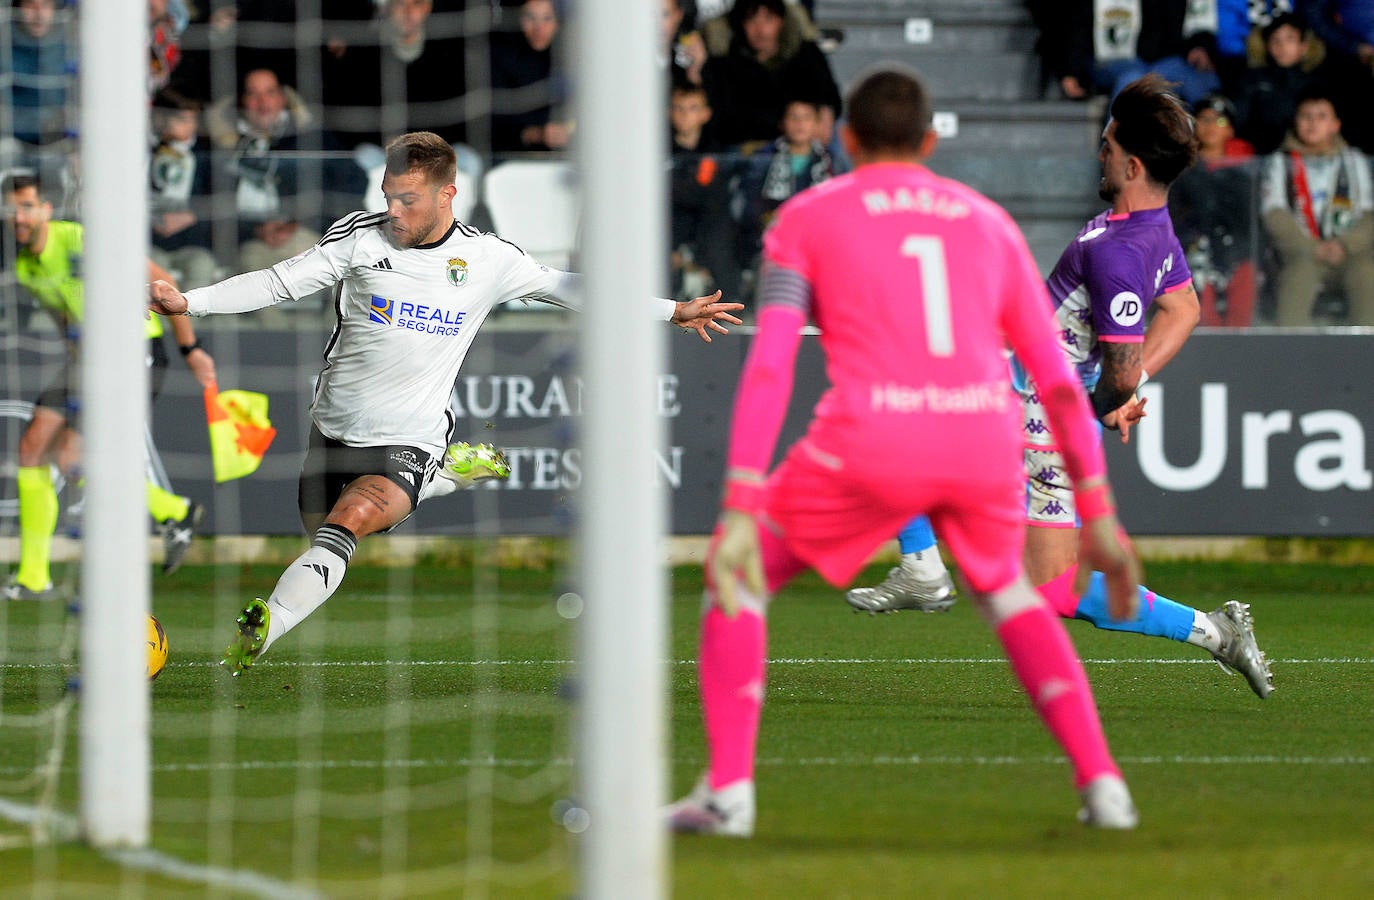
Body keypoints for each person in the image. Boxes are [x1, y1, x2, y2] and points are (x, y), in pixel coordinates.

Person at [667, 66, 1145, 838]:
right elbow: (1057, 378)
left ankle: (728, 793)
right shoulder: (989, 220)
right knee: (1015, 598)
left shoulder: (806, 216)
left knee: (739, 573)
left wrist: (740, 501)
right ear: (929, 140)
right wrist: (1097, 511)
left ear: (845, 140)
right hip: (982, 437)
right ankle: (1104, 784)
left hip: (870, 438)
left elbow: (772, 360)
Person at [145, 131, 743, 674]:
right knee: (320, 529)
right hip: (332, 428)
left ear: (447, 194)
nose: (394, 210)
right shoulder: (358, 239)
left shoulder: (489, 261)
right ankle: (452, 471)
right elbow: (275, 282)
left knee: (349, 520)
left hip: (410, 432)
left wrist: (673, 310)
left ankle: (264, 627)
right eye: (388, 195)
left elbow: (578, 291)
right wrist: (188, 301)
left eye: (407, 199)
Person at [844, 76, 1275, 702]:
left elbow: (1123, 360)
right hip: (1052, 417)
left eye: (1105, 146)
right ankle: (1216, 633)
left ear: (1130, 163)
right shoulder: (1150, 228)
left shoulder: (1118, 253)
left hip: (1031, 404)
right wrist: (1124, 389)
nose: (1097, 154)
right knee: (1050, 587)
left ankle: (921, 565)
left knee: (890, 425)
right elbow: (1181, 308)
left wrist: (1120, 390)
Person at [2, 172, 217, 600]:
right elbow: (67, 317)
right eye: (11, 208)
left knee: (67, 456)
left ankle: (171, 511)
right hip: (90, 360)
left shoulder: (76, 239)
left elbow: (158, 279)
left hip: (135, 351)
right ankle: (33, 576)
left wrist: (192, 349)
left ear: (46, 209)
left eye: (27, 205)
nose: (18, 215)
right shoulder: (25, 265)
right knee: (34, 452)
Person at [204, 67, 365, 273]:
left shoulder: (311, 137)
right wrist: (254, 230)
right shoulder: (223, 147)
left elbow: (356, 183)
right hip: (249, 245)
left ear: (282, 99)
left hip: (308, 238)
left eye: (270, 93)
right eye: (253, 94)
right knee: (252, 270)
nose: (263, 103)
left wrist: (299, 223)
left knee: (331, 268)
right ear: (242, 101)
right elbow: (210, 210)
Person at [1258, 85, 1374, 325]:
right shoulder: (1281, 161)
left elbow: (1368, 214)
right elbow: (1273, 212)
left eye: (1321, 116)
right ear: (1296, 121)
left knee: (1367, 276)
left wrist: (1344, 245)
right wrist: (1310, 247)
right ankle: (1291, 355)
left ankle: (1366, 353)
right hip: (1302, 253)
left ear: (1335, 125)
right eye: (1306, 116)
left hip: (1348, 252)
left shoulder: (1354, 161)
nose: (1313, 123)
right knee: (1297, 280)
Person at [700, 0, 841, 149]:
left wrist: (826, 113)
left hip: (800, 144)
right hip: (744, 148)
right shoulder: (725, 62)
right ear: (741, 24)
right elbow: (723, 119)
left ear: (781, 21)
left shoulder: (805, 53)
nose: (760, 30)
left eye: (768, 19)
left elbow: (830, 98)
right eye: (751, 20)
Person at [1169, 92, 1259, 326]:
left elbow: (1250, 222)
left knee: (1246, 278)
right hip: (1194, 251)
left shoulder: (1245, 173)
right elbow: (1174, 218)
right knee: (1199, 296)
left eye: (1219, 121)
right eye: (1204, 119)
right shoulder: (1179, 171)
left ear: (1230, 130)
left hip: (1235, 250)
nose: (1211, 127)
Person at [669, 82, 742, 302]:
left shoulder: (716, 152)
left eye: (692, 108)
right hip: (671, 224)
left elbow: (711, 196)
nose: (684, 115)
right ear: (669, 112)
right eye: (679, 108)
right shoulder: (656, 149)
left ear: (705, 114)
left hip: (708, 229)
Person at [148, 86, 220, 291]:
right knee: (152, 270)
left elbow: (219, 198)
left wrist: (192, 215)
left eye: (194, 119)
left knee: (202, 266)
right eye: (182, 120)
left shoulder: (205, 155)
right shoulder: (143, 151)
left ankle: (191, 323)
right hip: (150, 243)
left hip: (192, 243)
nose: (190, 127)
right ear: (161, 119)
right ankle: (153, 323)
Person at [489, 0, 574, 153]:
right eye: (530, 17)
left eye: (547, 18)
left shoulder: (573, 59)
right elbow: (494, 125)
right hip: (513, 157)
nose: (539, 28)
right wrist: (537, 134)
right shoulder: (501, 56)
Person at [1233, 13, 1322, 155]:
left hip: (1305, 154)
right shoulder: (1251, 80)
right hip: (1258, 156)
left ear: (1303, 46)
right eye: (1275, 40)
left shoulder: (1316, 85)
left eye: (1290, 39)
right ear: (1267, 45)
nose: (1282, 46)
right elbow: (1239, 121)